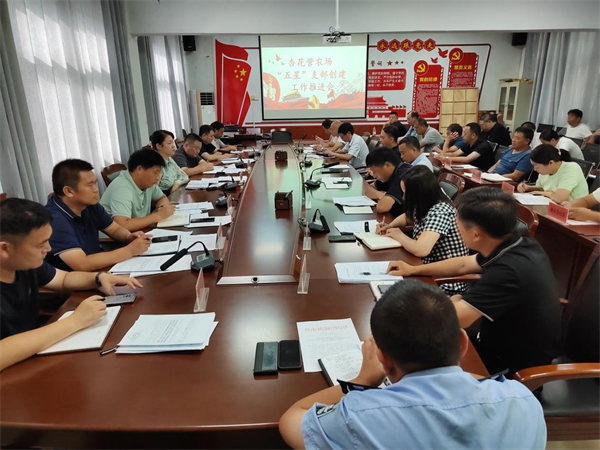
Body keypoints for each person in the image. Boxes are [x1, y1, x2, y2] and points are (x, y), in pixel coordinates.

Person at [279, 280, 547, 450]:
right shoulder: (523, 400)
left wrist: (362, 380)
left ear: (384, 361)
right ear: (462, 343)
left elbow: (291, 419)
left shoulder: (359, 417)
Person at [386, 187, 561, 375]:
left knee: (414, 361)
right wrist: (413, 269)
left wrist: (455, 301)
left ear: (476, 234)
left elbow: (456, 319)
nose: (455, 228)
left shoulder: (509, 272)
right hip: (493, 338)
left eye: (457, 223)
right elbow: (463, 264)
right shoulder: (517, 243)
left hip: (513, 365)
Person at [0, 198, 142, 371]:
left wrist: (98, 278)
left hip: (34, 356)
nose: (49, 249)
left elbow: (63, 279)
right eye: (40, 244)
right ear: (4, 249)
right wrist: (74, 321)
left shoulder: (23, 263)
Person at [45, 159, 151, 272]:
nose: (96, 189)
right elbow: (81, 264)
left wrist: (128, 237)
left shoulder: (89, 205)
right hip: (73, 278)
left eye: (95, 183)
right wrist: (129, 250)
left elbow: (114, 229)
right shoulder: (54, 219)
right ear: (68, 191)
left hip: (98, 269)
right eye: (89, 185)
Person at [378, 167, 469, 295]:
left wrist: (398, 234)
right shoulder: (426, 201)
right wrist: (389, 226)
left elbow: (421, 249)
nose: (403, 197)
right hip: (423, 267)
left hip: (442, 281)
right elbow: (407, 217)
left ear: (419, 193)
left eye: (406, 193)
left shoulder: (440, 211)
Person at [100, 149, 176, 232]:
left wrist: (162, 208)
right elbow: (122, 224)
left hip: (138, 231)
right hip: (112, 238)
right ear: (139, 169)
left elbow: (161, 197)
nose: (158, 178)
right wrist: (158, 216)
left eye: (159, 173)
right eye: (155, 172)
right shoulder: (122, 188)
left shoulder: (147, 182)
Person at [517, 144, 588, 202]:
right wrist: (528, 188)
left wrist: (542, 193)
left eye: (536, 166)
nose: (535, 169)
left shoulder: (571, 168)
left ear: (551, 163)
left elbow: (560, 198)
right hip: (550, 204)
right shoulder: (545, 171)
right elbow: (542, 188)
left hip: (572, 210)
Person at [364, 147, 412, 217]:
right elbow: (368, 189)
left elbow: (382, 208)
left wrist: (382, 197)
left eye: (375, 172)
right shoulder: (388, 174)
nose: (374, 176)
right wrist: (380, 195)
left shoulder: (403, 175)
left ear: (387, 165)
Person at [151, 130, 190, 195]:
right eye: (169, 143)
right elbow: (153, 192)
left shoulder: (169, 159)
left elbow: (184, 176)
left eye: (173, 142)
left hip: (174, 194)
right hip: (163, 198)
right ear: (158, 146)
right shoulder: (155, 164)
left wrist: (176, 184)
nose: (173, 146)